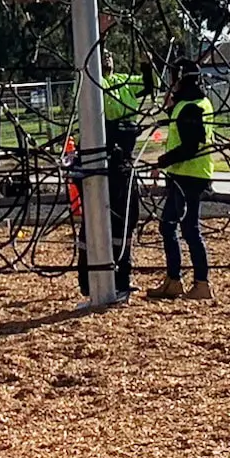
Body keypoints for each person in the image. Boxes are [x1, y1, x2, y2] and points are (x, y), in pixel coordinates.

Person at [152, 63, 214, 302]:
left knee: (190, 229)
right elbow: (182, 123)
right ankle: (174, 279)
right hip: (181, 175)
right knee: (167, 226)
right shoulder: (194, 103)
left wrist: (162, 161)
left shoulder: (190, 108)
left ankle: (201, 283)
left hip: (191, 175)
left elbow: (190, 146)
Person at [99, 56, 146, 290]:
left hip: (124, 158)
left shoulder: (123, 81)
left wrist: (147, 64)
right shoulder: (93, 83)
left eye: (109, 54)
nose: (109, 56)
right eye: (103, 52)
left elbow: (148, 84)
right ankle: (101, 278)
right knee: (109, 219)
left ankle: (123, 274)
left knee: (129, 217)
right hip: (107, 159)